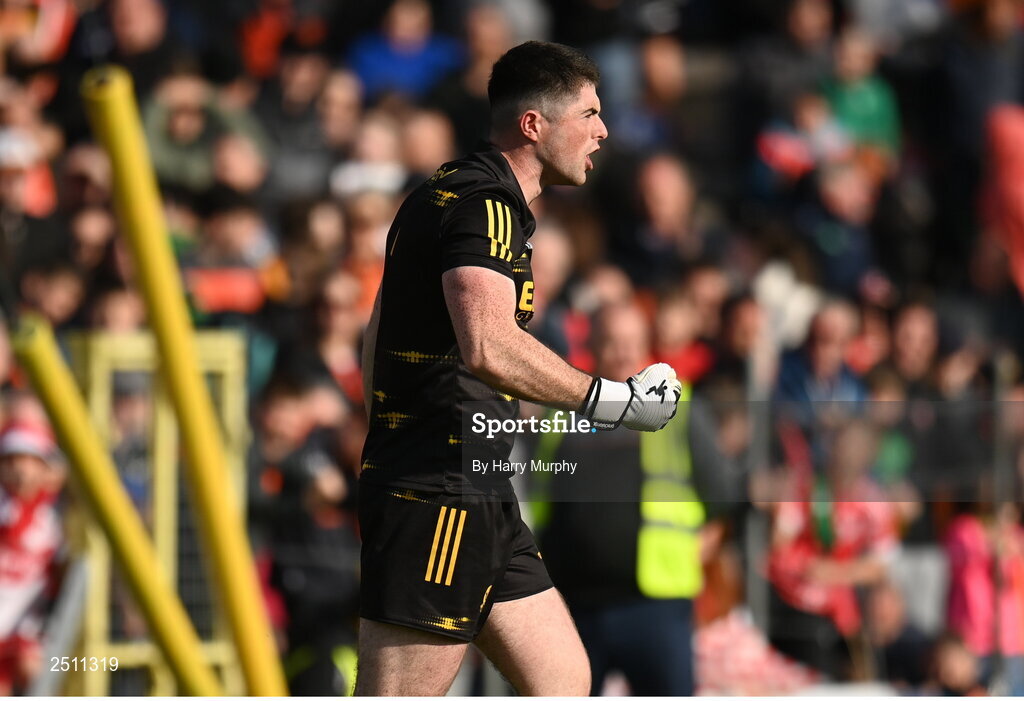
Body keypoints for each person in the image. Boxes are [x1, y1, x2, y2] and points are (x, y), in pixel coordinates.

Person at [357, 40, 681, 696]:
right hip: (440, 491)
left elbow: (376, 336)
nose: (603, 130)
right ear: (534, 125)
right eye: (589, 114)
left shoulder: (444, 193)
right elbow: (488, 345)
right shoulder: (486, 204)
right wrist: (611, 400)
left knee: (563, 679)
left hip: (478, 485)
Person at [531, 302, 738, 695]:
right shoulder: (560, 416)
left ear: (647, 347)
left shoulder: (679, 410)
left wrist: (694, 554)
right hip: (574, 609)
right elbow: (544, 503)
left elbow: (721, 501)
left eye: (631, 343)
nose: (622, 352)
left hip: (654, 608)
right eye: (611, 342)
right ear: (590, 345)